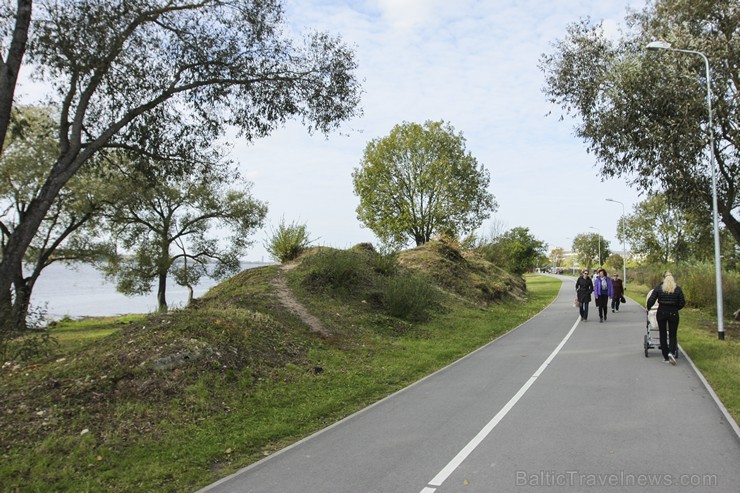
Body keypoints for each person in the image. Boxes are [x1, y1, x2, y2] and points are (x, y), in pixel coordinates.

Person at [646, 272, 686, 365]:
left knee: (663, 334)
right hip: (673, 313)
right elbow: (682, 302)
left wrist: (648, 308)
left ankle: (665, 357)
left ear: (663, 279)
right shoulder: (677, 289)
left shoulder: (659, 288)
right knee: (672, 334)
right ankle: (671, 352)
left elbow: (651, 299)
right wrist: (676, 308)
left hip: (661, 312)